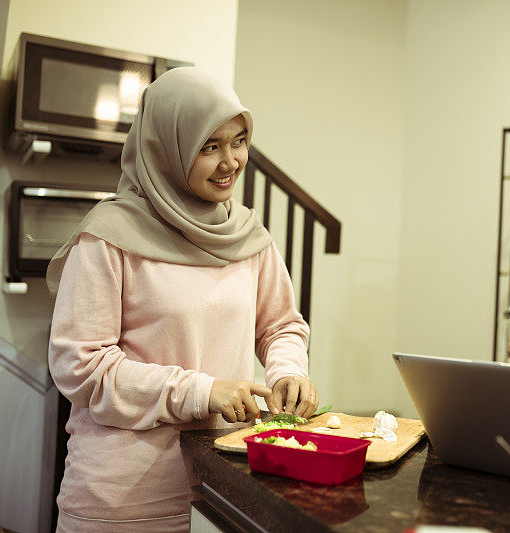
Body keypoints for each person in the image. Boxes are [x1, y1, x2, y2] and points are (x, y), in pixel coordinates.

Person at [46, 67, 318, 532]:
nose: (231, 160)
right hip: (126, 498)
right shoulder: (108, 238)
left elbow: (280, 325)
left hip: (227, 481)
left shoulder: (249, 236)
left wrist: (289, 369)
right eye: (209, 146)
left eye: (239, 140)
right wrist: (202, 391)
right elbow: (81, 366)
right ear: (165, 148)